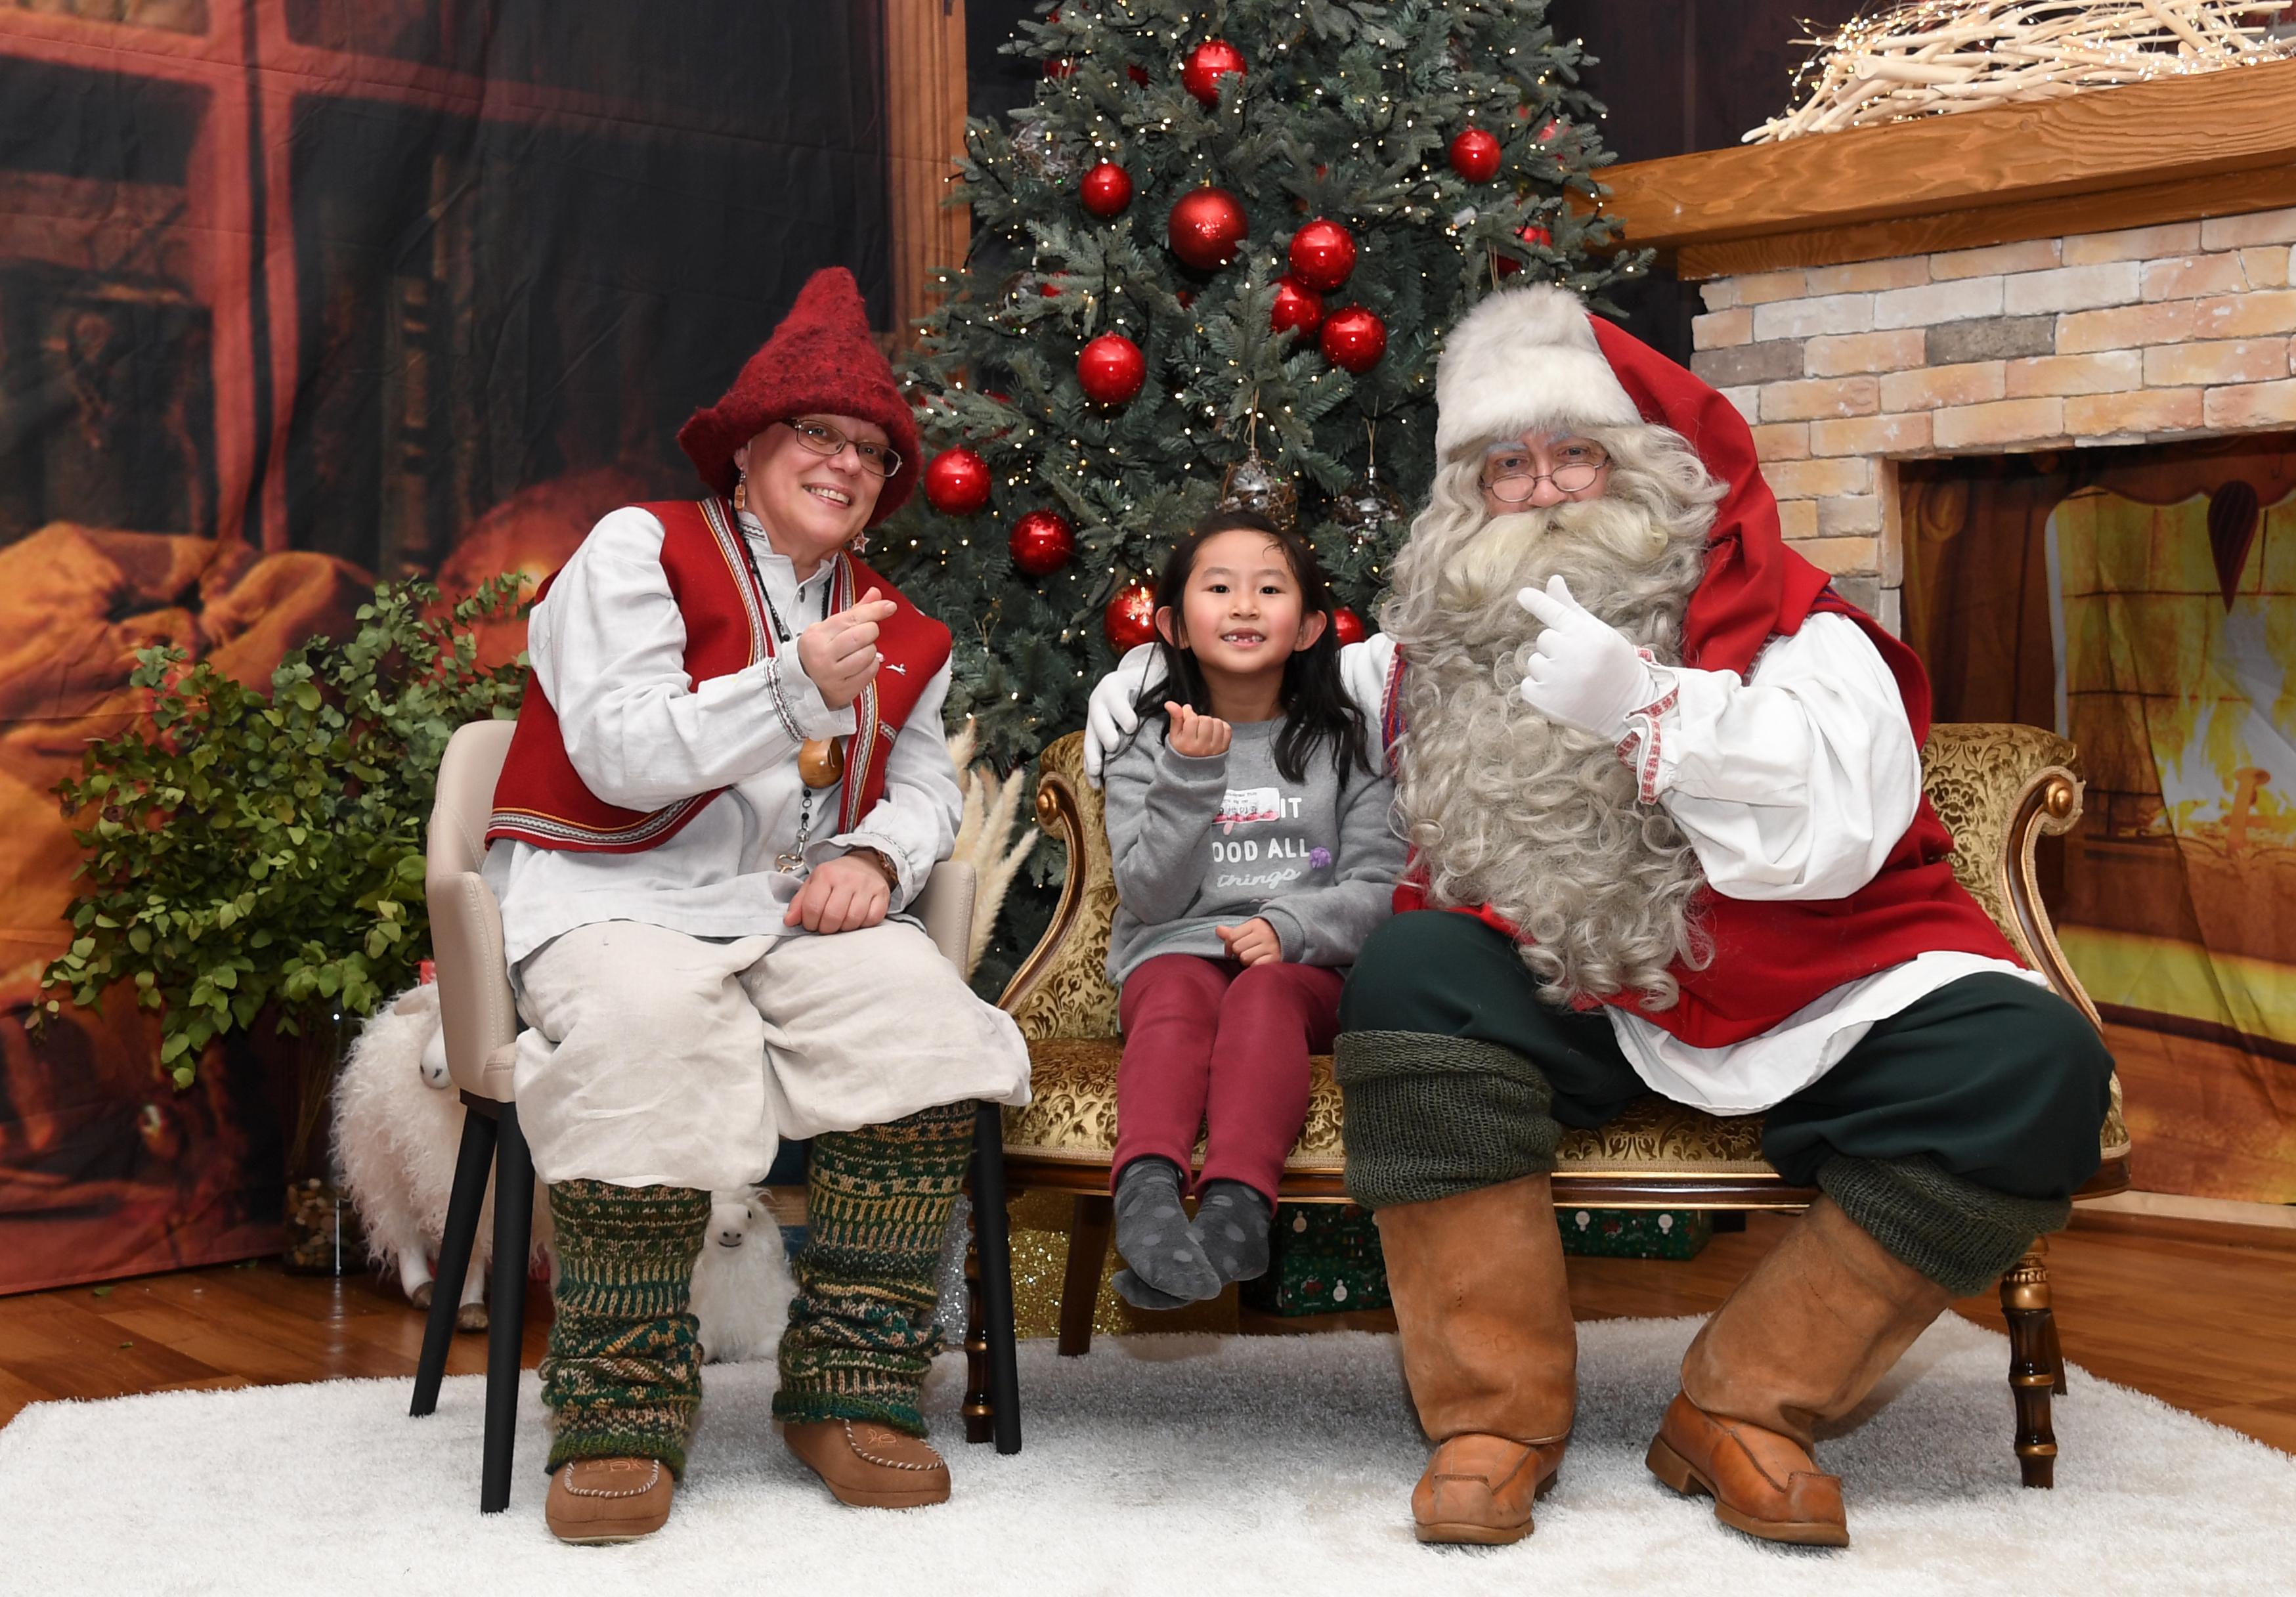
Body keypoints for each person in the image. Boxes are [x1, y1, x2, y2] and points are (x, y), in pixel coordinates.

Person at [1084, 284, 2113, 1550]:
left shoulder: (1793, 624)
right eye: (1506, 467)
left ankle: (1746, 1407)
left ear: (1648, 469)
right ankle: (1493, 1416)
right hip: (1567, 986)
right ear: (1470, 501)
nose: (1546, 488)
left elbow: (1841, 816)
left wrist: (1646, 703)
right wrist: (1146, 674)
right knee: (1412, 963)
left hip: (1805, 989)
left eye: (1577, 452)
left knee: (2038, 1065)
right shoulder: (1432, 650)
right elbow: (1268, 671)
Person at [481, 268, 1031, 1544]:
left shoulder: (900, 624)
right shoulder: (637, 549)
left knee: (921, 1021)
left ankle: (852, 1385)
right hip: (611, 900)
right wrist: (789, 691)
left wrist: (883, 863)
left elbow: (927, 781)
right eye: (817, 435)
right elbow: (618, 748)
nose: (844, 463)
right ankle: (622, 1402)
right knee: (645, 1030)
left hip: (783, 914)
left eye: (869, 449)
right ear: (750, 446)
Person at [1096, 512, 1402, 1310]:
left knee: (1262, 996)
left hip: (1305, 967)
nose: (1242, 606)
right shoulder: (1141, 746)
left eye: (1269, 589)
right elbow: (1152, 896)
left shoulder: (1347, 745)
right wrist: (1192, 776)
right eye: (1218, 587)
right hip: (1176, 948)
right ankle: (1148, 1193)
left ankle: (1236, 1207)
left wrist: (1292, 929)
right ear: (1171, 624)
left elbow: (1382, 888)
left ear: (1307, 628)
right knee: (1172, 991)